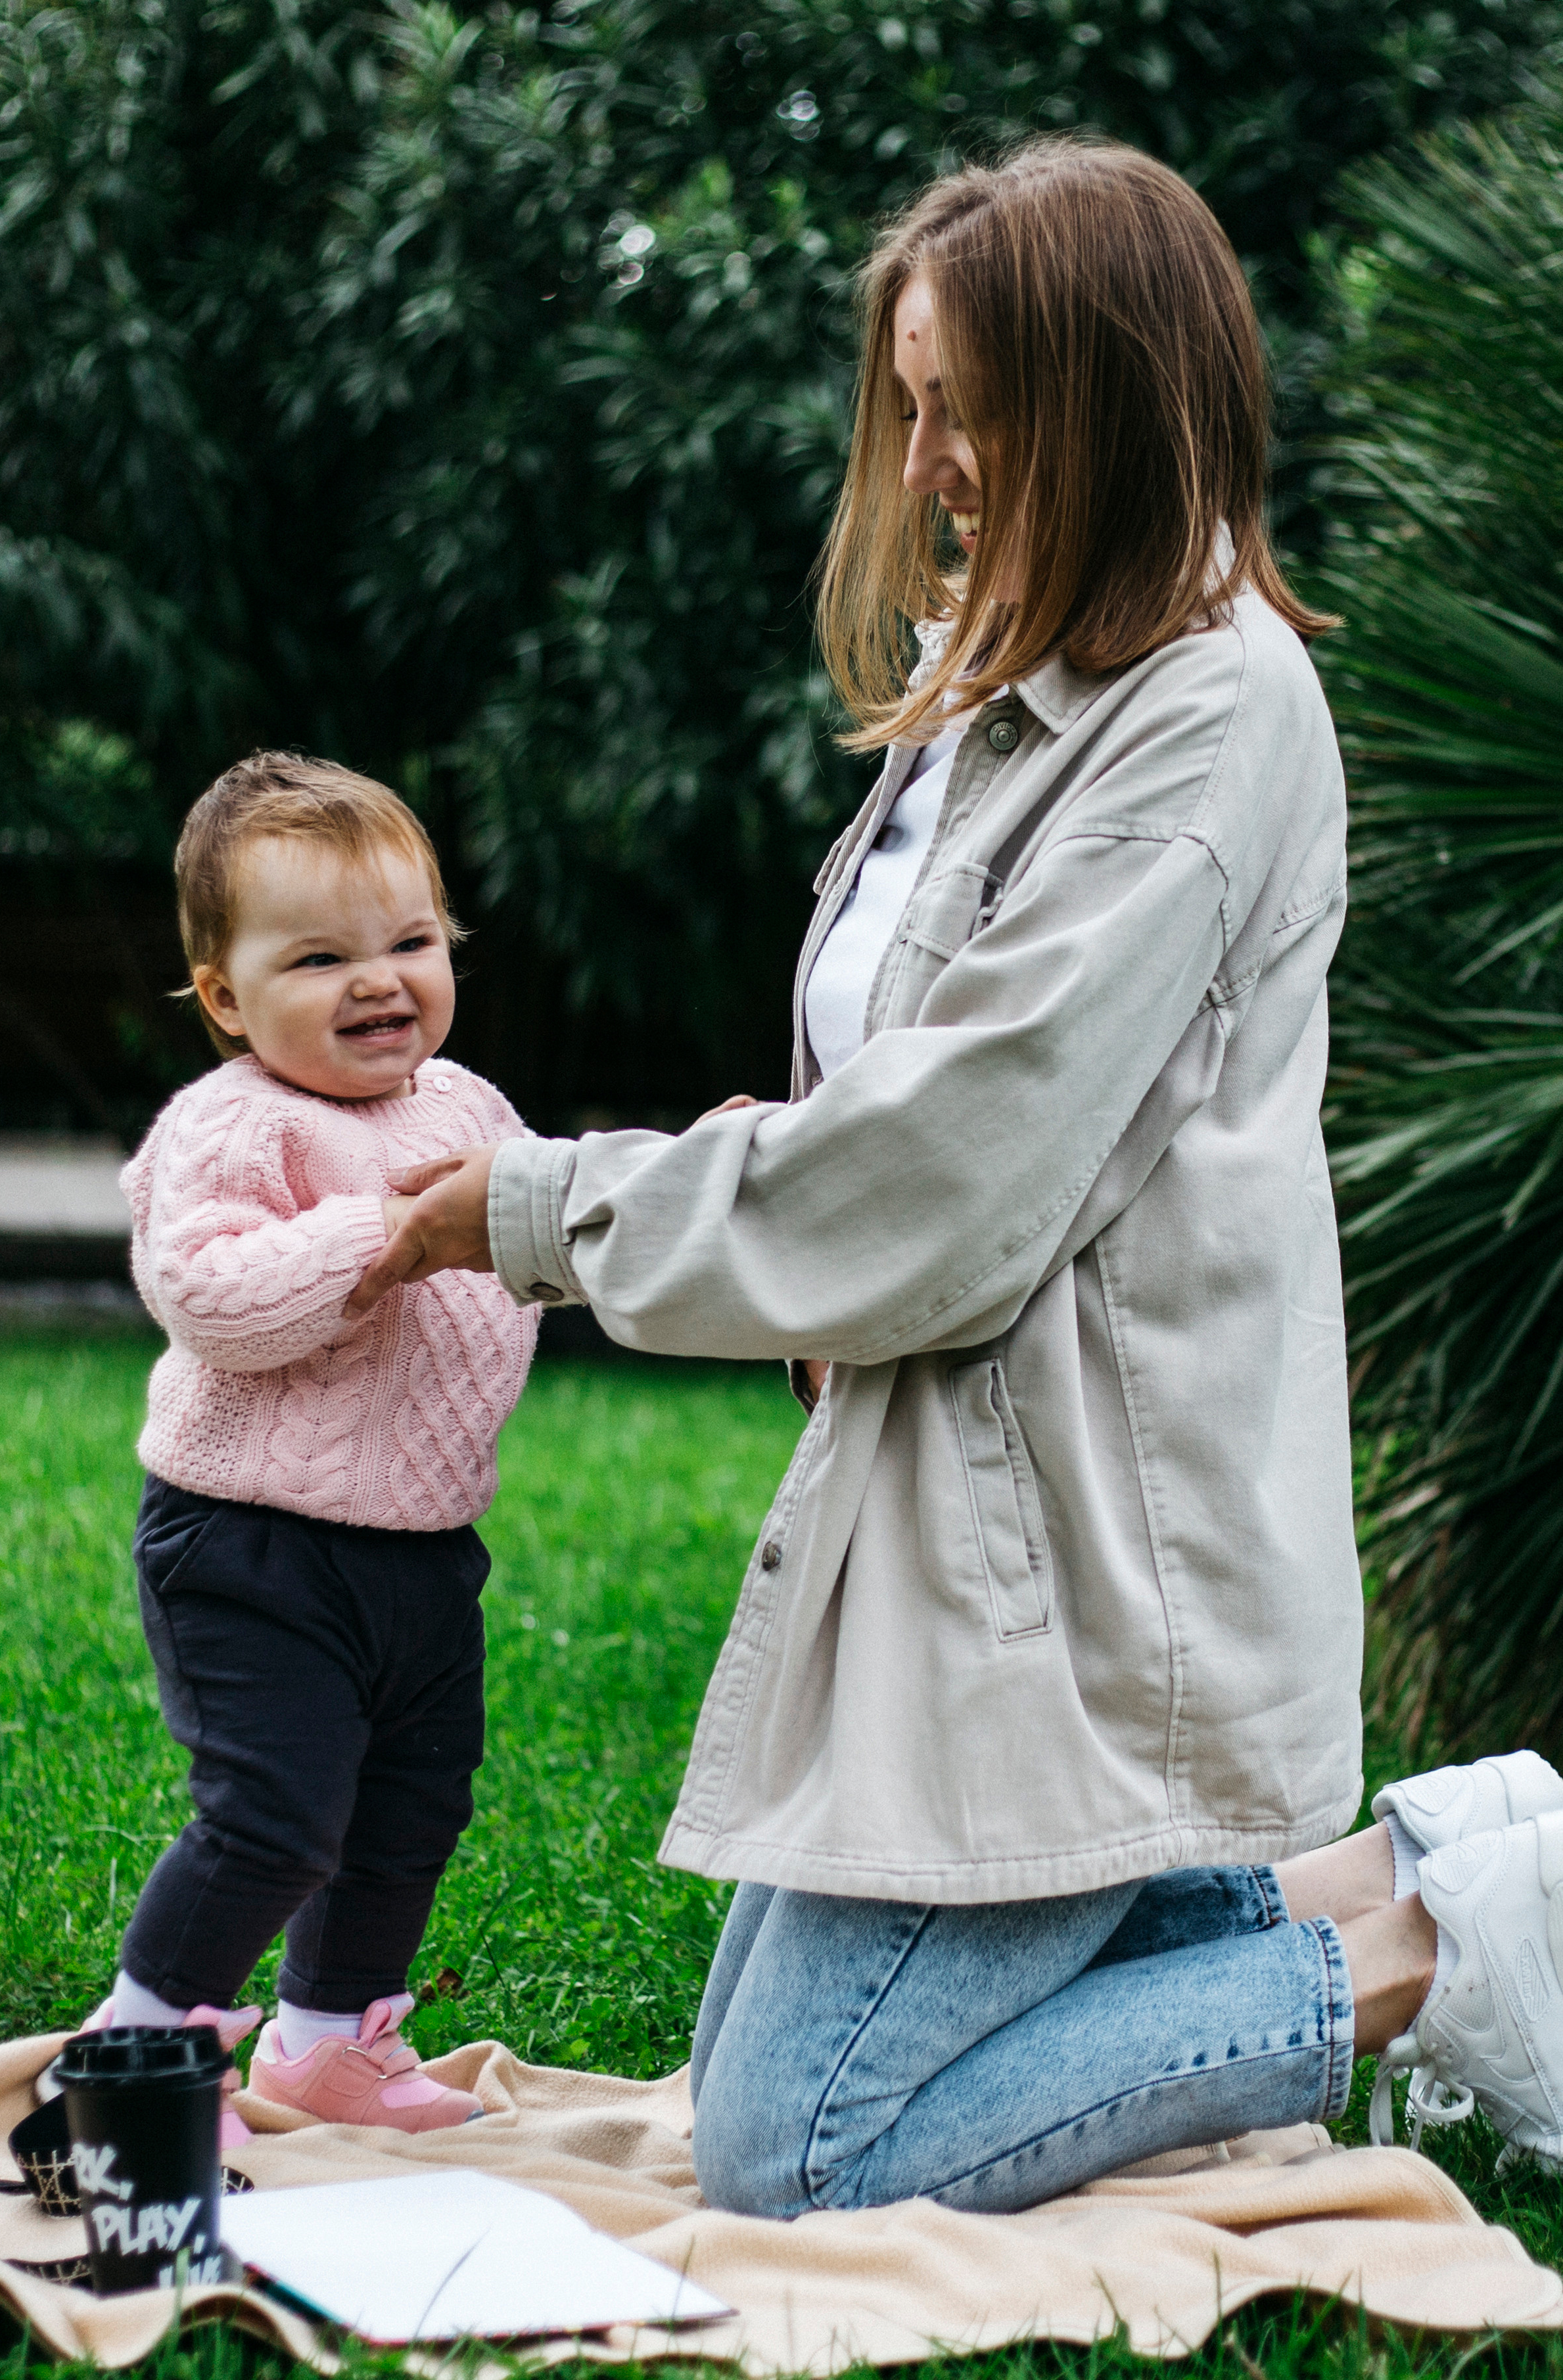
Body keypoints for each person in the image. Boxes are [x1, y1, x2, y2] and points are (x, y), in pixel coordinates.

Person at [352, 139, 1563, 2202]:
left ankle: (1449, 1948)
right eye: (909, 404)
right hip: (968, 1521)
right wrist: (774, 1178)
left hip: (1085, 1566)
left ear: (1100, 397)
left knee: (793, 2146)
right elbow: (906, 1094)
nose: (926, 460)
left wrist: (557, 1213)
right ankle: (1385, 1876)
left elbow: (947, 1168)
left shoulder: (1205, 718)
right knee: (760, 2060)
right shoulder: (1008, 688)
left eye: (963, 406)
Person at [86, 752, 537, 2139]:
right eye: (320, 955)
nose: (378, 979)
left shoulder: (466, 1110)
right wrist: (381, 1234)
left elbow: (542, 1228)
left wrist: (648, 1185)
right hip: (250, 1543)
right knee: (276, 1814)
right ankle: (139, 2050)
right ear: (225, 995)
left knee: (409, 1803)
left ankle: (329, 2040)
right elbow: (212, 1299)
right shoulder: (234, 1123)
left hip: (419, 1546)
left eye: (409, 940)